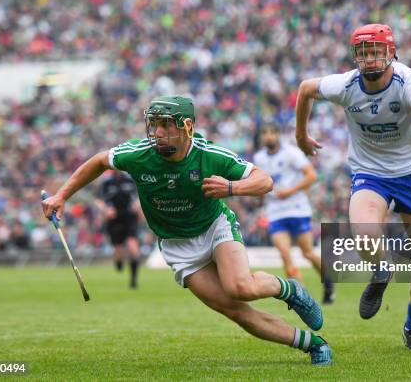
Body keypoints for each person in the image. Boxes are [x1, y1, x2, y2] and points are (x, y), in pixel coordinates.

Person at [41, 95, 332, 365]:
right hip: (177, 245)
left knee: (240, 287)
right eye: (154, 125)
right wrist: (61, 196)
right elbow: (100, 161)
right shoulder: (138, 154)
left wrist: (232, 187)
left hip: (214, 228)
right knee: (235, 311)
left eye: (166, 126)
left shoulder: (209, 154)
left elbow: (265, 181)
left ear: (187, 127)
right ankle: (313, 344)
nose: (157, 133)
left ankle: (289, 289)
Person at [295, 24, 411, 350]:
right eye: (363, 52)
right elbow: (306, 88)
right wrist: (300, 135)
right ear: (355, 56)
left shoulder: (409, 84)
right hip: (370, 173)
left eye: (376, 51)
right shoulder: (346, 85)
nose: (369, 58)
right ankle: (381, 270)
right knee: (363, 230)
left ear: (391, 52)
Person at [253, 123, 335, 304]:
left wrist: (290, 191)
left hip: (297, 209)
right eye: (264, 133)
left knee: (307, 253)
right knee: (284, 254)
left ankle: (328, 281)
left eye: (271, 132)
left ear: (277, 135)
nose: (268, 136)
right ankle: (304, 299)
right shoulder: (259, 158)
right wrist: (258, 197)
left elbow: (312, 175)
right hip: (275, 212)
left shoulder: (291, 152)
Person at [98, 170, 141, 288]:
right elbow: (99, 200)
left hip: (129, 217)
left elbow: (139, 195)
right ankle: (118, 262)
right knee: (118, 250)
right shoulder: (106, 182)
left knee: (133, 247)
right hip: (114, 219)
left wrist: (137, 204)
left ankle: (133, 280)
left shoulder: (131, 179)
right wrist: (106, 209)